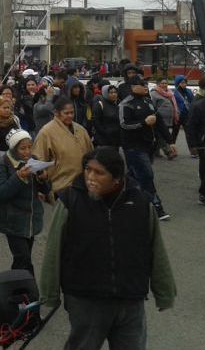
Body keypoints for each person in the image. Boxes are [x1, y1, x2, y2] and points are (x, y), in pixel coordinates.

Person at [40, 146, 176, 350]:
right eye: (88, 170)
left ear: (117, 178)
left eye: (99, 172)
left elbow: (156, 249)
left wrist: (164, 292)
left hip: (130, 300)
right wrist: (49, 293)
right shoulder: (71, 200)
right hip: (86, 299)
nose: (90, 177)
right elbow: (53, 250)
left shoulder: (140, 203)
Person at [119, 75, 174, 221]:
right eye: (141, 84)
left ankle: (123, 201)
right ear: (132, 86)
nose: (144, 86)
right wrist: (143, 123)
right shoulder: (125, 104)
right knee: (146, 175)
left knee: (133, 176)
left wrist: (170, 141)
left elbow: (159, 122)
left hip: (149, 145)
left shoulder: (148, 102)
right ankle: (156, 207)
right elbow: (124, 125)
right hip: (133, 146)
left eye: (145, 84)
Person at [0, 129, 44, 276]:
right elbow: (2, 193)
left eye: (29, 147)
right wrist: (19, 176)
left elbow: (46, 189)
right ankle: (32, 293)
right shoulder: (2, 164)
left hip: (31, 220)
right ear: (14, 149)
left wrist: (43, 178)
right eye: (23, 148)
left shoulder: (33, 160)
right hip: (12, 220)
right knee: (24, 260)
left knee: (20, 261)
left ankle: (15, 290)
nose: (27, 152)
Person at [32, 96, 93, 199]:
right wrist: (42, 176)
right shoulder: (46, 132)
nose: (70, 116)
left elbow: (90, 152)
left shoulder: (80, 129)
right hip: (60, 186)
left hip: (83, 184)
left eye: (72, 113)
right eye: (66, 113)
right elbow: (38, 159)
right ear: (56, 113)